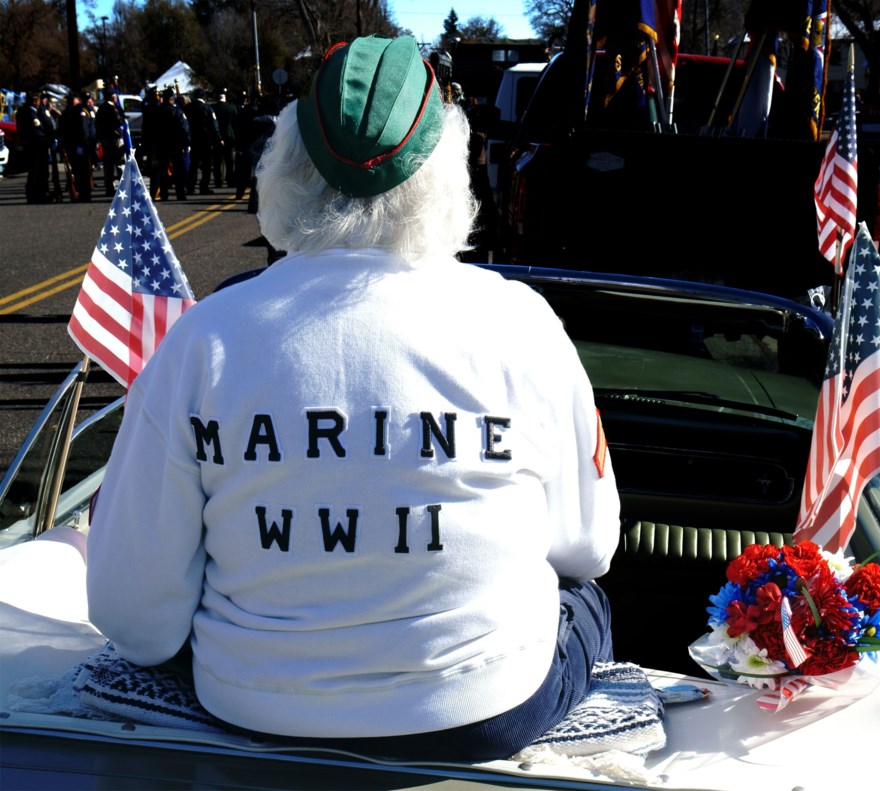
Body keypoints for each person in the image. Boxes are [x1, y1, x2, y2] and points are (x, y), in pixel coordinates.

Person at [86, 35, 621, 763]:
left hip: (253, 709)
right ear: (444, 170)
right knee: (587, 599)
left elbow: (133, 616)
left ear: (288, 164)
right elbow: (589, 545)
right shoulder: (521, 321)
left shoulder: (203, 338)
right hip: (484, 708)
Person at [59, 92, 97, 202]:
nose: (71, 102)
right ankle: (81, 192)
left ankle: (85, 193)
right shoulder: (69, 112)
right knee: (77, 171)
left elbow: (85, 130)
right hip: (73, 146)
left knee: (83, 171)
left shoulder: (81, 111)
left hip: (81, 146)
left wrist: (84, 145)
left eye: (73, 99)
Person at [155, 87, 191, 200]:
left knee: (163, 169)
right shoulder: (177, 112)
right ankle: (180, 193)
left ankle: (164, 193)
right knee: (179, 170)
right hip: (176, 145)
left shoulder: (158, 111)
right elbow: (184, 129)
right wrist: (186, 143)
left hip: (162, 145)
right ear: (172, 98)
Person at [183, 88, 221, 194]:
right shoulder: (207, 108)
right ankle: (204, 186)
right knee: (206, 165)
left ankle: (191, 186)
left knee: (193, 164)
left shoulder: (187, 108)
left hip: (192, 139)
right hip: (205, 140)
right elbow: (214, 125)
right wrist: (217, 138)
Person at [15, 92, 49, 203]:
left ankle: (39, 193)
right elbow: (36, 130)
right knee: (36, 171)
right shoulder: (29, 112)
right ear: (35, 101)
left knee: (38, 171)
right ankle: (35, 194)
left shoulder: (27, 110)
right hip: (35, 146)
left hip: (34, 145)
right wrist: (46, 140)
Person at [96, 89, 127, 196]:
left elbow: (97, 124)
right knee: (120, 163)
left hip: (105, 139)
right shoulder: (113, 108)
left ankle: (109, 187)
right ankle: (123, 187)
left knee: (108, 165)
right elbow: (119, 121)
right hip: (115, 139)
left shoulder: (101, 108)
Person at [212, 91, 237, 188]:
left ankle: (218, 180)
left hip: (216, 137)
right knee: (229, 161)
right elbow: (235, 123)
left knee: (217, 161)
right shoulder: (231, 107)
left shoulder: (213, 108)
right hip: (229, 136)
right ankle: (230, 179)